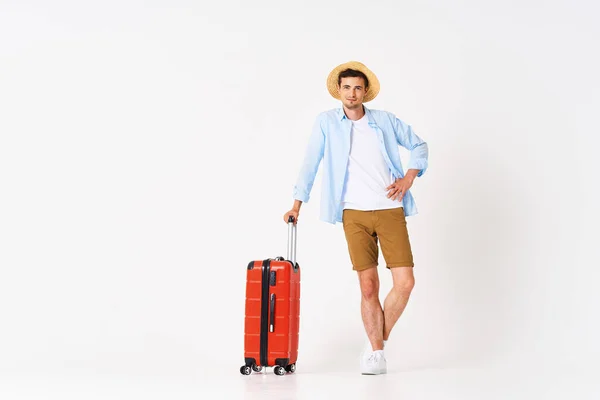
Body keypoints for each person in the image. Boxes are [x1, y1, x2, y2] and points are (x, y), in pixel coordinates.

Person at [283, 61, 429, 375]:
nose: (352, 93)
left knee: (405, 283)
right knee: (368, 286)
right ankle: (376, 353)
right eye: (346, 87)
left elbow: (419, 145)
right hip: (353, 213)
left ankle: (376, 342)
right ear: (339, 91)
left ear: (365, 92)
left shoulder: (385, 121)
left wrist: (408, 178)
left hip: (390, 209)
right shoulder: (326, 123)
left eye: (357, 88)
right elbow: (311, 163)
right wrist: (297, 204)